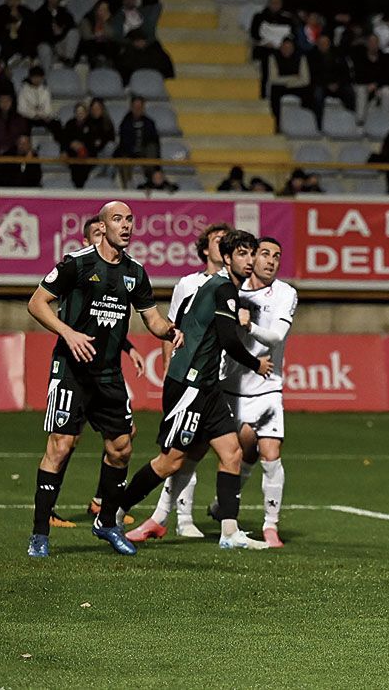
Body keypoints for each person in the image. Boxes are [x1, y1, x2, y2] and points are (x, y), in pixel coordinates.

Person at [25, 201, 182, 558]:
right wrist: (68, 333)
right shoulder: (77, 263)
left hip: (109, 374)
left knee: (121, 446)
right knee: (60, 445)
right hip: (71, 370)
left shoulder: (136, 273)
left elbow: (152, 320)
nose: (125, 226)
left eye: (129, 220)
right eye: (117, 219)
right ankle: (39, 534)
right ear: (103, 225)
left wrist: (170, 330)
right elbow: (36, 303)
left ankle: (106, 521)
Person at [101, 229, 274, 552]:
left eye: (253, 253)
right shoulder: (223, 289)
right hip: (190, 386)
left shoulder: (220, 287)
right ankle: (112, 515)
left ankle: (229, 532)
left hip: (207, 387)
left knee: (232, 453)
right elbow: (227, 337)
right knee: (169, 462)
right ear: (226, 257)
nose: (249, 261)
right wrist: (256, 364)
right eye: (241, 253)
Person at [127, 223, 233, 543]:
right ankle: (180, 517)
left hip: (222, 379)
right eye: (218, 241)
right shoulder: (188, 284)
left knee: (202, 450)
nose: (223, 247)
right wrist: (170, 370)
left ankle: (172, 517)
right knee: (180, 450)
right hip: (190, 379)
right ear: (205, 249)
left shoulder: (234, 286)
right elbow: (172, 328)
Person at [220, 237, 296, 548]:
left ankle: (270, 526)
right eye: (265, 254)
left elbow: (276, 337)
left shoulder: (285, 293)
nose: (271, 261)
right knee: (240, 452)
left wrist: (249, 326)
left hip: (268, 387)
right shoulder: (232, 291)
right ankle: (219, 508)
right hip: (233, 387)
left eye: (277, 256)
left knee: (271, 454)